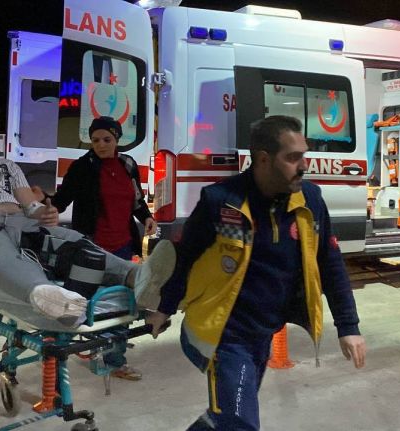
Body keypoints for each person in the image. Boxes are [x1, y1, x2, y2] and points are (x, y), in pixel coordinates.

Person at [147, 116, 367, 430]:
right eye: (293, 157)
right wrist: (164, 308)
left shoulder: (309, 201)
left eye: (304, 155)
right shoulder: (222, 201)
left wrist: (348, 325)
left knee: (226, 417)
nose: (304, 165)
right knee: (240, 423)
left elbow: (330, 263)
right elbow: (186, 258)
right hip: (223, 333)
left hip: (263, 332)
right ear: (264, 159)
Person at [0, 97, 175, 331]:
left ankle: (139, 277)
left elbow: (31, 208)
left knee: (73, 240)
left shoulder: (7, 166)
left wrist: (45, 213)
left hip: (20, 225)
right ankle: (48, 296)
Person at [32, 116, 156, 380]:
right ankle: (100, 354)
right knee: (96, 306)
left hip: (123, 245)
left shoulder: (128, 164)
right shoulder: (82, 167)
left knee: (122, 304)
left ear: (117, 139)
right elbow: (62, 200)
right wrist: (45, 202)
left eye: (106, 139)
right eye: (95, 140)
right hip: (93, 249)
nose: (100, 145)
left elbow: (136, 199)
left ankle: (114, 359)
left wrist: (147, 217)